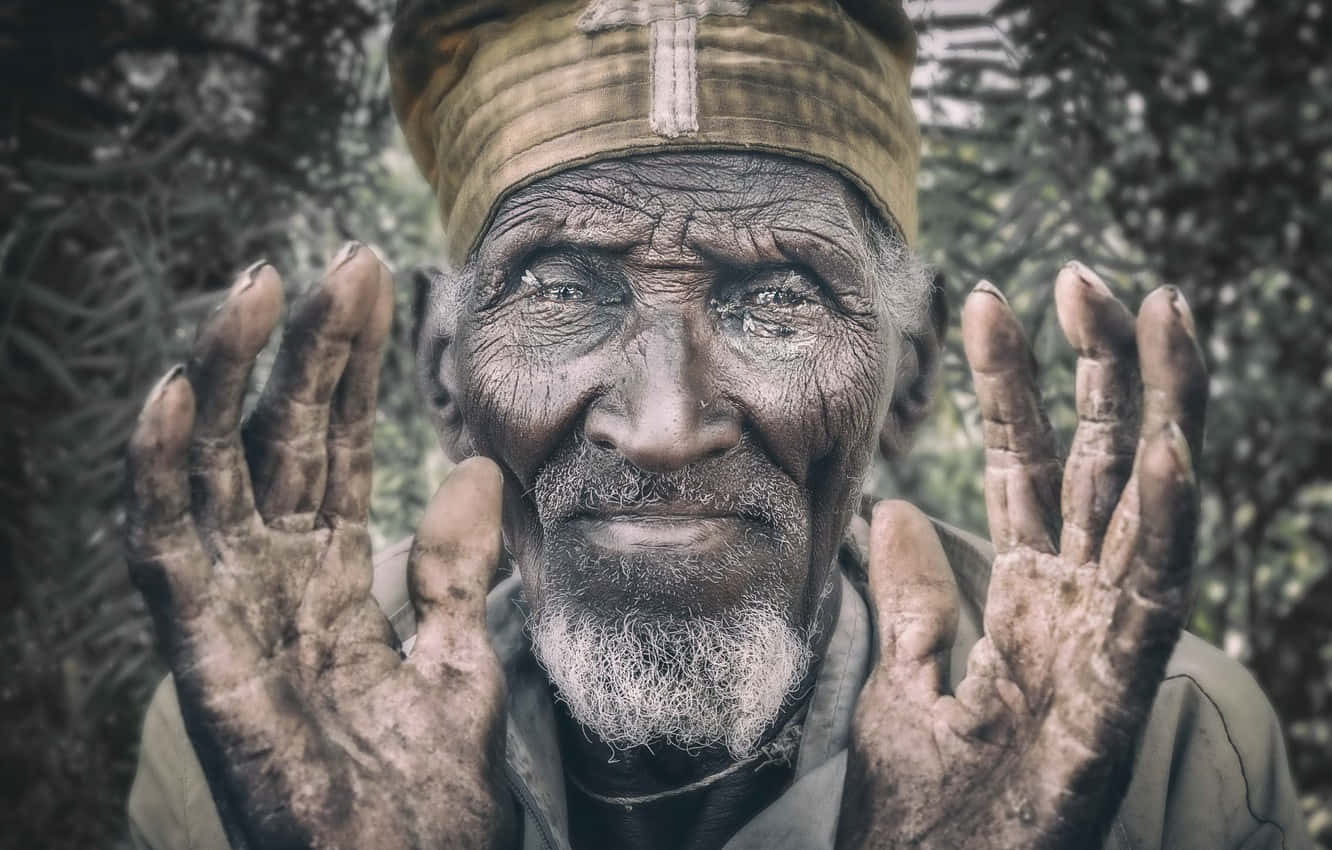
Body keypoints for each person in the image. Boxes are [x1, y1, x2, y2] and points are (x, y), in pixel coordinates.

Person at [124, 1, 1311, 848]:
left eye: (781, 296)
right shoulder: (271, 724)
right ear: (446, 375)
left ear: (906, 379)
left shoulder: (1155, 747)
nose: (663, 422)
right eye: (561, 288)